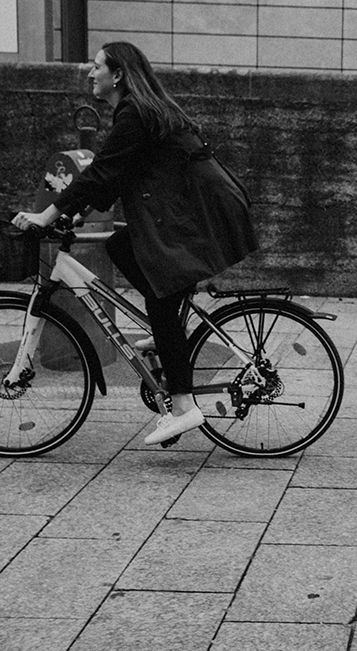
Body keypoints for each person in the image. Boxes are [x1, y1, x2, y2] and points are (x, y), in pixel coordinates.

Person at [12, 42, 257, 447]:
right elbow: (118, 174)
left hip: (200, 215)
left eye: (97, 67)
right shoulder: (139, 109)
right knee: (120, 246)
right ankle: (168, 333)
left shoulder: (136, 113)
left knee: (161, 296)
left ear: (118, 75)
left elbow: (102, 171)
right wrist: (78, 212)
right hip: (194, 211)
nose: (90, 73)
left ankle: (183, 406)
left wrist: (47, 215)